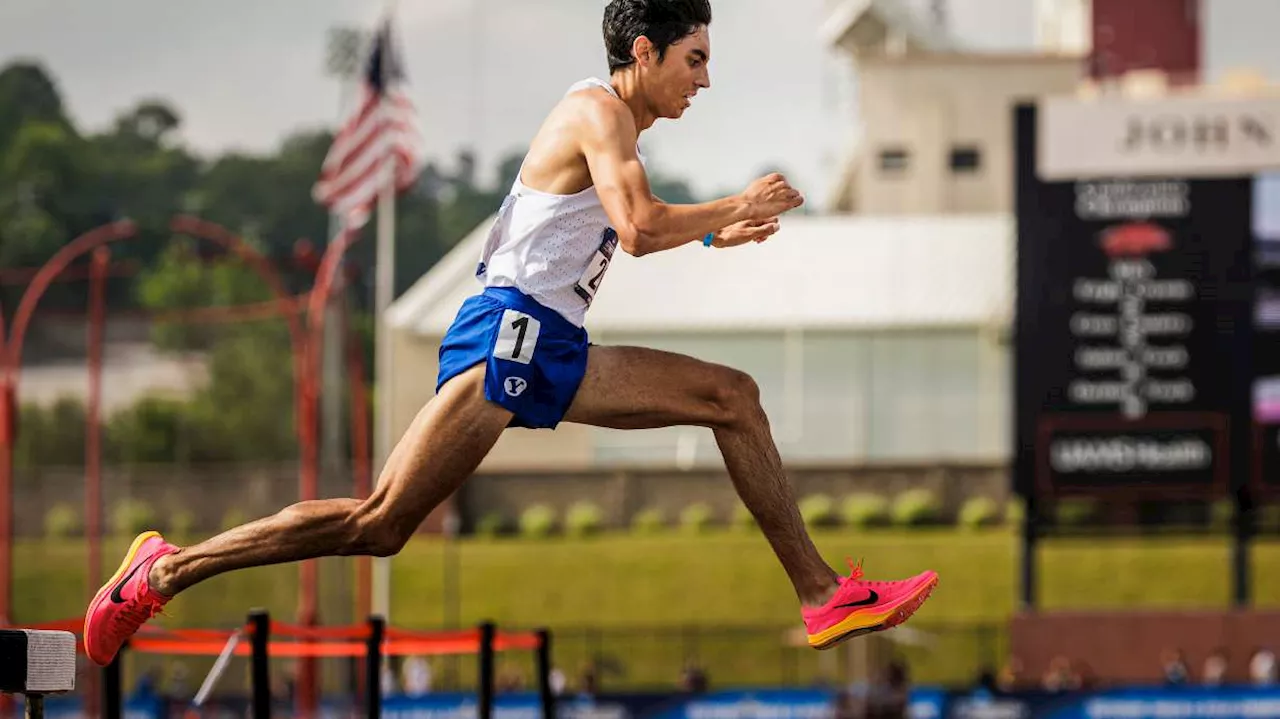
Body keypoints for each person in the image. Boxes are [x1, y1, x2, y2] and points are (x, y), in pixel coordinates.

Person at [82, 0, 937, 667]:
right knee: (380, 521)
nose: (705, 80)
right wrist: (733, 205)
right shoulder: (597, 112)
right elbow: (635, 227)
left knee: (732, 397)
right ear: (643, 50)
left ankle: (823, 593)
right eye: (696, 58)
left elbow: (608, 224)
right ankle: (162, 570)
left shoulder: (621, 130)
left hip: (550, 342)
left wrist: (715, 233)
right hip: (509, 336)